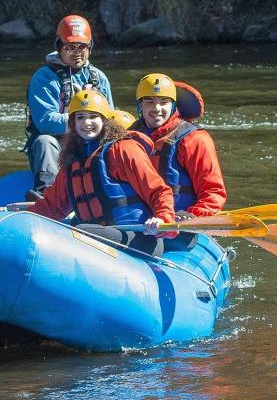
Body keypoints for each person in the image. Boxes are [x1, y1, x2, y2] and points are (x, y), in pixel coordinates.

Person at [27, 89, 177, 256]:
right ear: (73, 123)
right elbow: (52, 206)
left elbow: (159, 190)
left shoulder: (123, 150)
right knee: (73, 226)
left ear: (105, 120)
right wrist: (22, 221)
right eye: (80, 117)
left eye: (93, 116)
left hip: (139, 238)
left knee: (78, 230)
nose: (86, 123)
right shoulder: (72, 161)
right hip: (95, 236)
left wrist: (163, 217)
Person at [25, 14, 114, 199]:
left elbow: (111, 118)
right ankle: (46, 194)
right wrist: (82, 119)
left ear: (90, 47)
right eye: (70, 47)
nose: (77, 53)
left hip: (92, 141)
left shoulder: (99, 78)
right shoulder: (44, 77)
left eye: (82, 47)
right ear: (59, 47)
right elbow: (46, 122)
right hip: (57, 145)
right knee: (44, 141)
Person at [130, 73, 228, 218]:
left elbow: (213, 192)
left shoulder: (194, 139)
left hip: (181, 223)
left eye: (164, 102)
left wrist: (192, 217)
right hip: (140, 222)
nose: (157, 108)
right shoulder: (129, 138)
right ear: (140, 105)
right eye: (149, 102)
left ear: (173, 105)